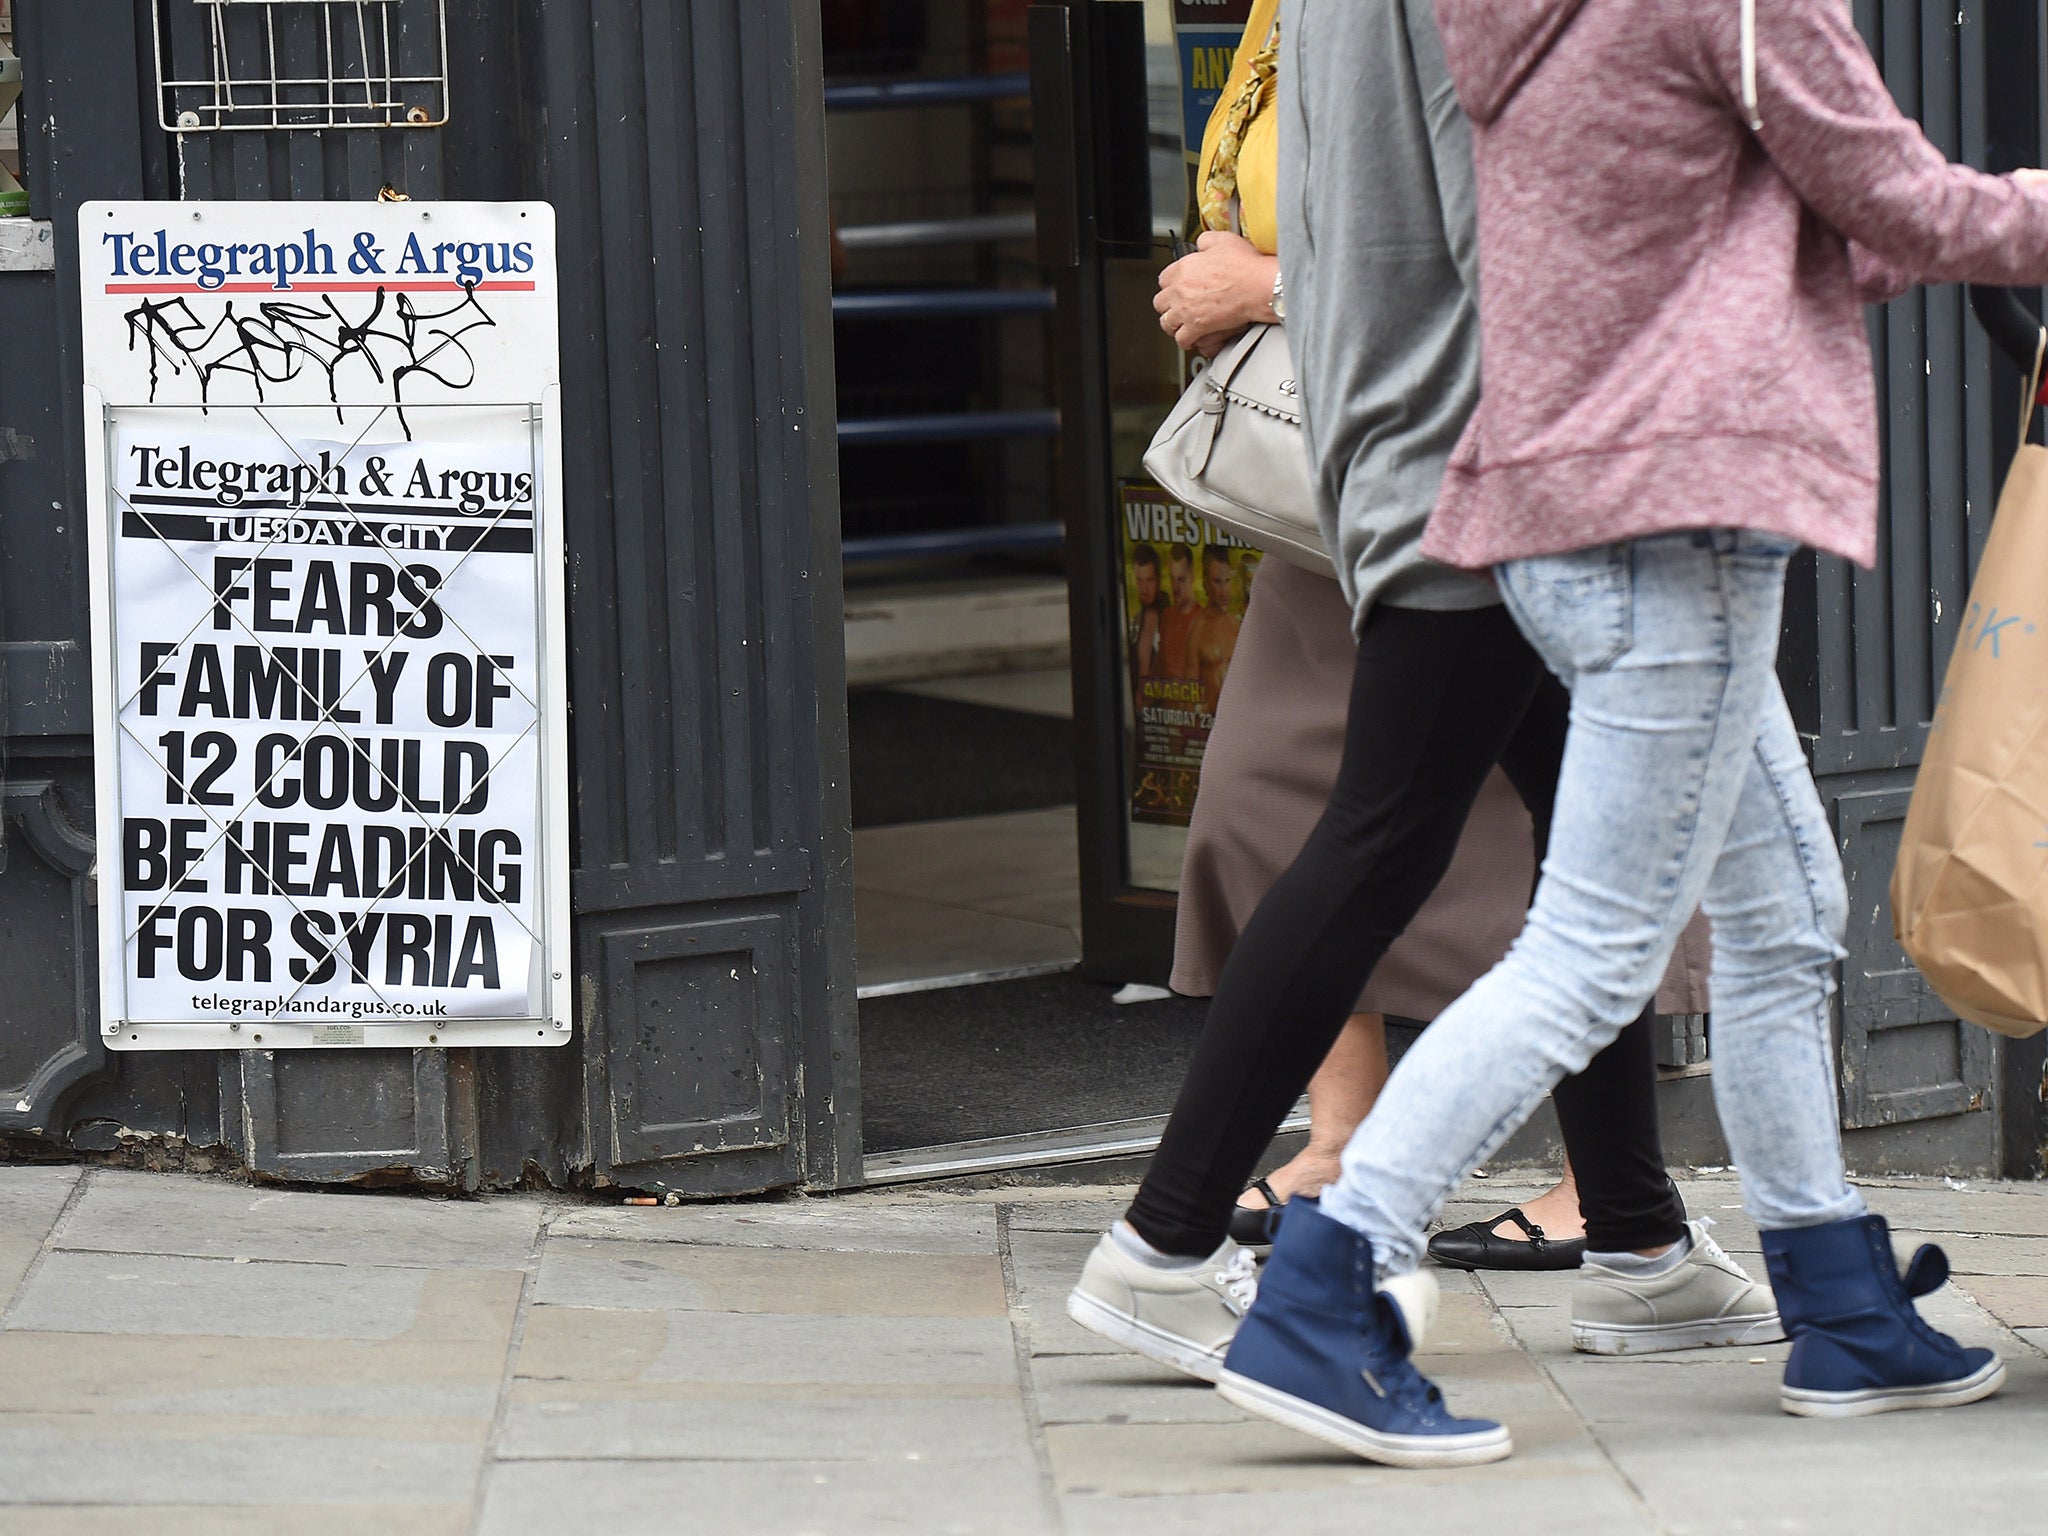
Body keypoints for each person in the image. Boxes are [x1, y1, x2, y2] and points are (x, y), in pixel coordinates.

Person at [1217, 0, 2048, 1468]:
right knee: (1594, 951)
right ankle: (1325, 1283)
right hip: (1687, 513)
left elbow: (1716, 230)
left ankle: (1841, 1302)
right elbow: (1908, 203)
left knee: (1784, 915)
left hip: (1562, 490)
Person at [1067, 0, 1775, 1386]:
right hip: (1494, 465)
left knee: (1595, 847)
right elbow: (1499, 237)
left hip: (1445, 450)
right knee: (1384, 838)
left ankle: (1639, 1243)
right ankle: (1161, 1246)